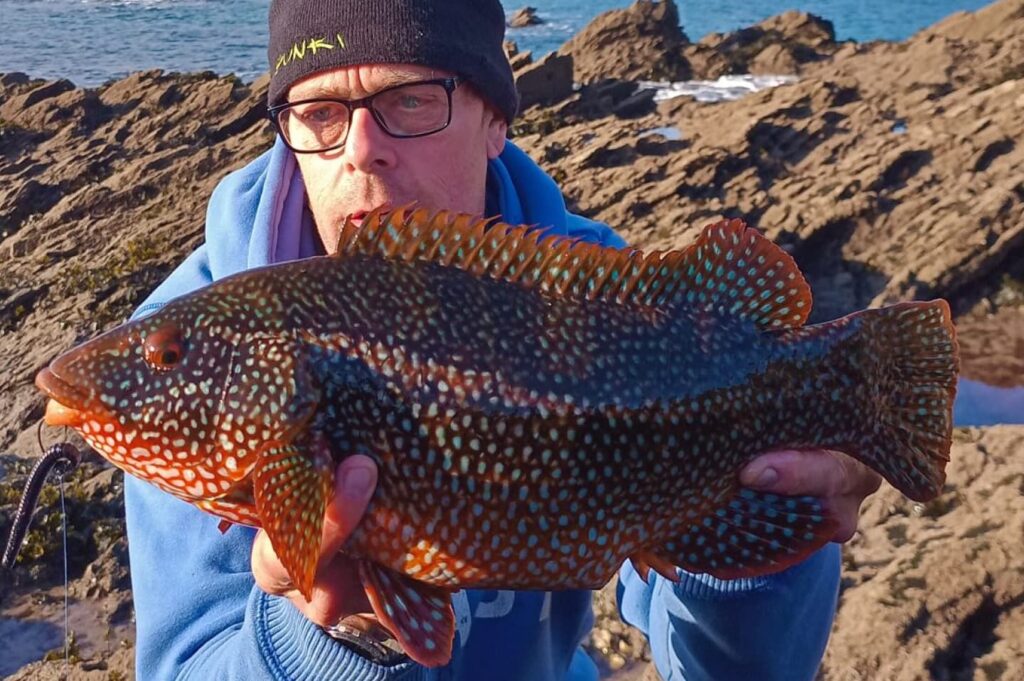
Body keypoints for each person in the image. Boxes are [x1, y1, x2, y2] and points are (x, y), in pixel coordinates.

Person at [125, 0, 882, 679]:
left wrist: (766, 534)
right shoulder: (188, 351)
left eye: (410, 99)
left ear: (495, 121)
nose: (360, 148)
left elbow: (739, 672)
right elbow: (184, 665)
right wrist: (333, 642)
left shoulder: (602, 302)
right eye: (319, 112)